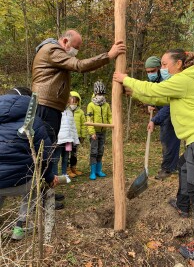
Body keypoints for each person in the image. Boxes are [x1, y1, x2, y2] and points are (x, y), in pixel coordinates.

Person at [113, 49, 194, 260]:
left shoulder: (184, 80)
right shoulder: (186, 81)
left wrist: (126, 78)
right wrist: (133, 92)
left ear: (179, 64)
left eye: (165, 65)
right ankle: (184, 205)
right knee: (185, 170)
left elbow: (155, 90)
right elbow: (160, 96)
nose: (162, 69)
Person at [32, 29, 125, 207]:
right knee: (44, 152)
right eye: (76, 47)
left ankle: (46, 191)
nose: (77, 51)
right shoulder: (52, 50)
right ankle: (41, 198)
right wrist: (109, 55)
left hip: (51, 107)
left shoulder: (54, 51)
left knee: (48, 152)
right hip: (45, 107)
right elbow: (80, 65)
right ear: (65, 41)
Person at [0, 87, 58, 240]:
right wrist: (49, 176)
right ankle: (19, 227)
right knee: (33, 187)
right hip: (21, 182)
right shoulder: (33, 122)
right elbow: (45, 154)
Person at [145, 56, 180, 179]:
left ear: (159, 68)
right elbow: (152, 94)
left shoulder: (167, 80)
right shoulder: (152, 80)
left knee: (169, 140)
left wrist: (155, 120)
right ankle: (171, 166)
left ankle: (168, 168)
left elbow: (169, 104)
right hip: (163, 113)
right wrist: (150, 104)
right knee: (166, 140)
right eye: (148, 72)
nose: (150, 74)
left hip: (171, 113)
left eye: (152, 71)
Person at [86, 81, 112, 180]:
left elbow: (109, 116)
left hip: (103, 131)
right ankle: (92, 171)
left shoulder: (106, 105)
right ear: (95, 93)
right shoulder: (91, 105)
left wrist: (113, 124)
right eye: (99, 94)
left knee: (100, 151)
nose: (100, 96)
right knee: (94, 151)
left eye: (102, 94)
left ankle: (98, 170)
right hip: (94, 132)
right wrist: (92, 132)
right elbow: (89, 119)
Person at [52, 94, 80, 181]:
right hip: (59, 140)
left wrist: (75, 139)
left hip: (68, 140)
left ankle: (65, 175)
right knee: (56, 159)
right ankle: (55, 176)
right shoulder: (57, 110)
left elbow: (73, 127)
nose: (71, 103)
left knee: (65, 158)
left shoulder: (70, 112)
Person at [68, 91, 87, 176]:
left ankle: (73, 168)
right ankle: (68, 170)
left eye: (75, 101)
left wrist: (83, 136)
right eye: (72, 101)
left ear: (78, 102)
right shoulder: (65, 111)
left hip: (76, 137)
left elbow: (83, 124)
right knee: (67, 153)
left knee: (74, 153)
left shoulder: (80, 112)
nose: (73, 103)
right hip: (68, 137)